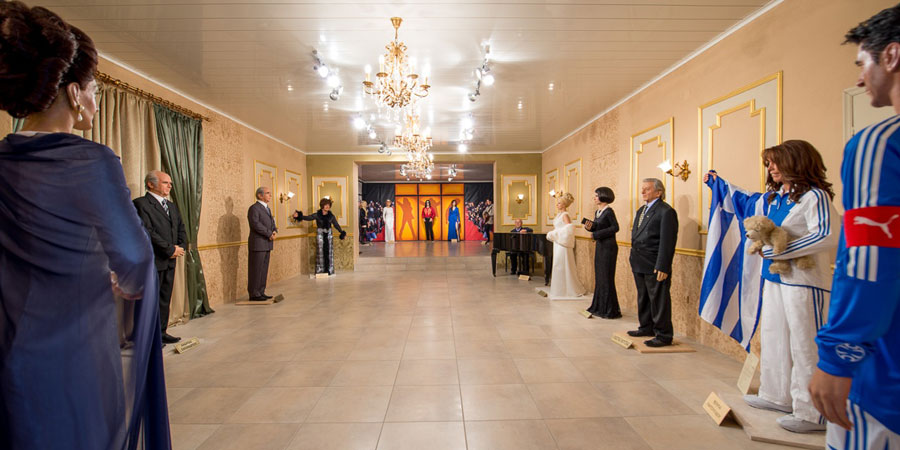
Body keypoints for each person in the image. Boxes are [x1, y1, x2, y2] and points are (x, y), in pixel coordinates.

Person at [0, 2, 170, 448]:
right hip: (74, 347)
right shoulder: (91, 161)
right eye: (94, 88)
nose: (95, 99)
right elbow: (135, 260)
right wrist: (123, 282)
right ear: (75, 94)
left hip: (10, 343)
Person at [809, 8, 900, 447]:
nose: (861, 79)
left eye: (862, 63)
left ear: (891, 56)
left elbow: (868, 261)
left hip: (885, 375)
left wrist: (838, 356)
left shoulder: (880, 144)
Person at [704, 140, 838, 433]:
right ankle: (777, 395)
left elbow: (826, 235)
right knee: (774, 337)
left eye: (776, 162)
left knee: (805, 344)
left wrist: (779, 251)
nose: (771, 167)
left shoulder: (814, 197)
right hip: (775, 279)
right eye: (769, 163)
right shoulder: (777, 199)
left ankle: (813, 412)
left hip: (804, 282)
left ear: (796, 162)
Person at [133, 170, 186, 344]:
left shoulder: (171, 206)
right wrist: (169, 249)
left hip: (170, 260)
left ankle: (162, 332)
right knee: (151, 300)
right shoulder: (140, 204)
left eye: (170, 183)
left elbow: (180, 227)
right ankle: (149, 336)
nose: (170, 186)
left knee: (164, 298)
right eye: (165, 183)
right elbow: (147, 231)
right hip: (154, 260)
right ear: (150, 184)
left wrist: (180, 247)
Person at [628, 178, 678, 348]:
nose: (643, 192)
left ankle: (663, 335)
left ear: (658, 192)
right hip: (638, 261)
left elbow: (667, 241)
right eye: (642, 189)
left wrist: (663, 265)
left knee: (659, 300)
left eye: (647, 189)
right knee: (643, 297)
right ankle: (646, 327)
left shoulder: (666, 211)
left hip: (654, 263)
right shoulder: (641, 210)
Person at [585, 187, 622, 319]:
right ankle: (599, 307)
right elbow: (598, 227)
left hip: (609, 248)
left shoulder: (609, 211)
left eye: (596, 195)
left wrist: (596, 234)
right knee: (600, 277)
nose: (594, 198)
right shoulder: (598, 212)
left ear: (603, 196)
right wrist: (590, 227)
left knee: (606, 277)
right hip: (600, 246)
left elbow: (615, 227)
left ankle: (609, 309)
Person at [546, 193, 586, 299]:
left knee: (561, 263)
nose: (557, 205)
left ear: (564, 205)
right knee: (557, 264)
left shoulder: (565, 215)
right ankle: (559, 289)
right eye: (558, 203)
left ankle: (567, 289)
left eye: (559, 203)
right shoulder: (559, 215)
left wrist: (554, 234)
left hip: (563, 243)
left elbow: (569, 229)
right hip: (558, 242)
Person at [293, 198, 346, 275]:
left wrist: (342, 233)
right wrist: (299, 216)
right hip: (320, 236)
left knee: (329, 252)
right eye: (326, 205)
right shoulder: (317, 215)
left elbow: (336, 225)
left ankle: (329, 270)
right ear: (322, 206)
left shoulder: (331, 216)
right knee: (320, 252)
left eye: (329, 205)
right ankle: (320, 270)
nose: (327, 206)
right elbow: (308, 218)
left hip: (329, 236)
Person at [248, 186, 277, 301]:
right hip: (258, 244)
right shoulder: (254, 208)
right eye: (268, 193)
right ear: (260, 195)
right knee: (256, 269)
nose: (270, 195)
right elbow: (255, 224)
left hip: (267, 243)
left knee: (264, 269)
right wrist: (269, 233)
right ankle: (254, 294)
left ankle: (261, 291)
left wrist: (274, 231)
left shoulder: (267, 208)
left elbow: (271, 222)